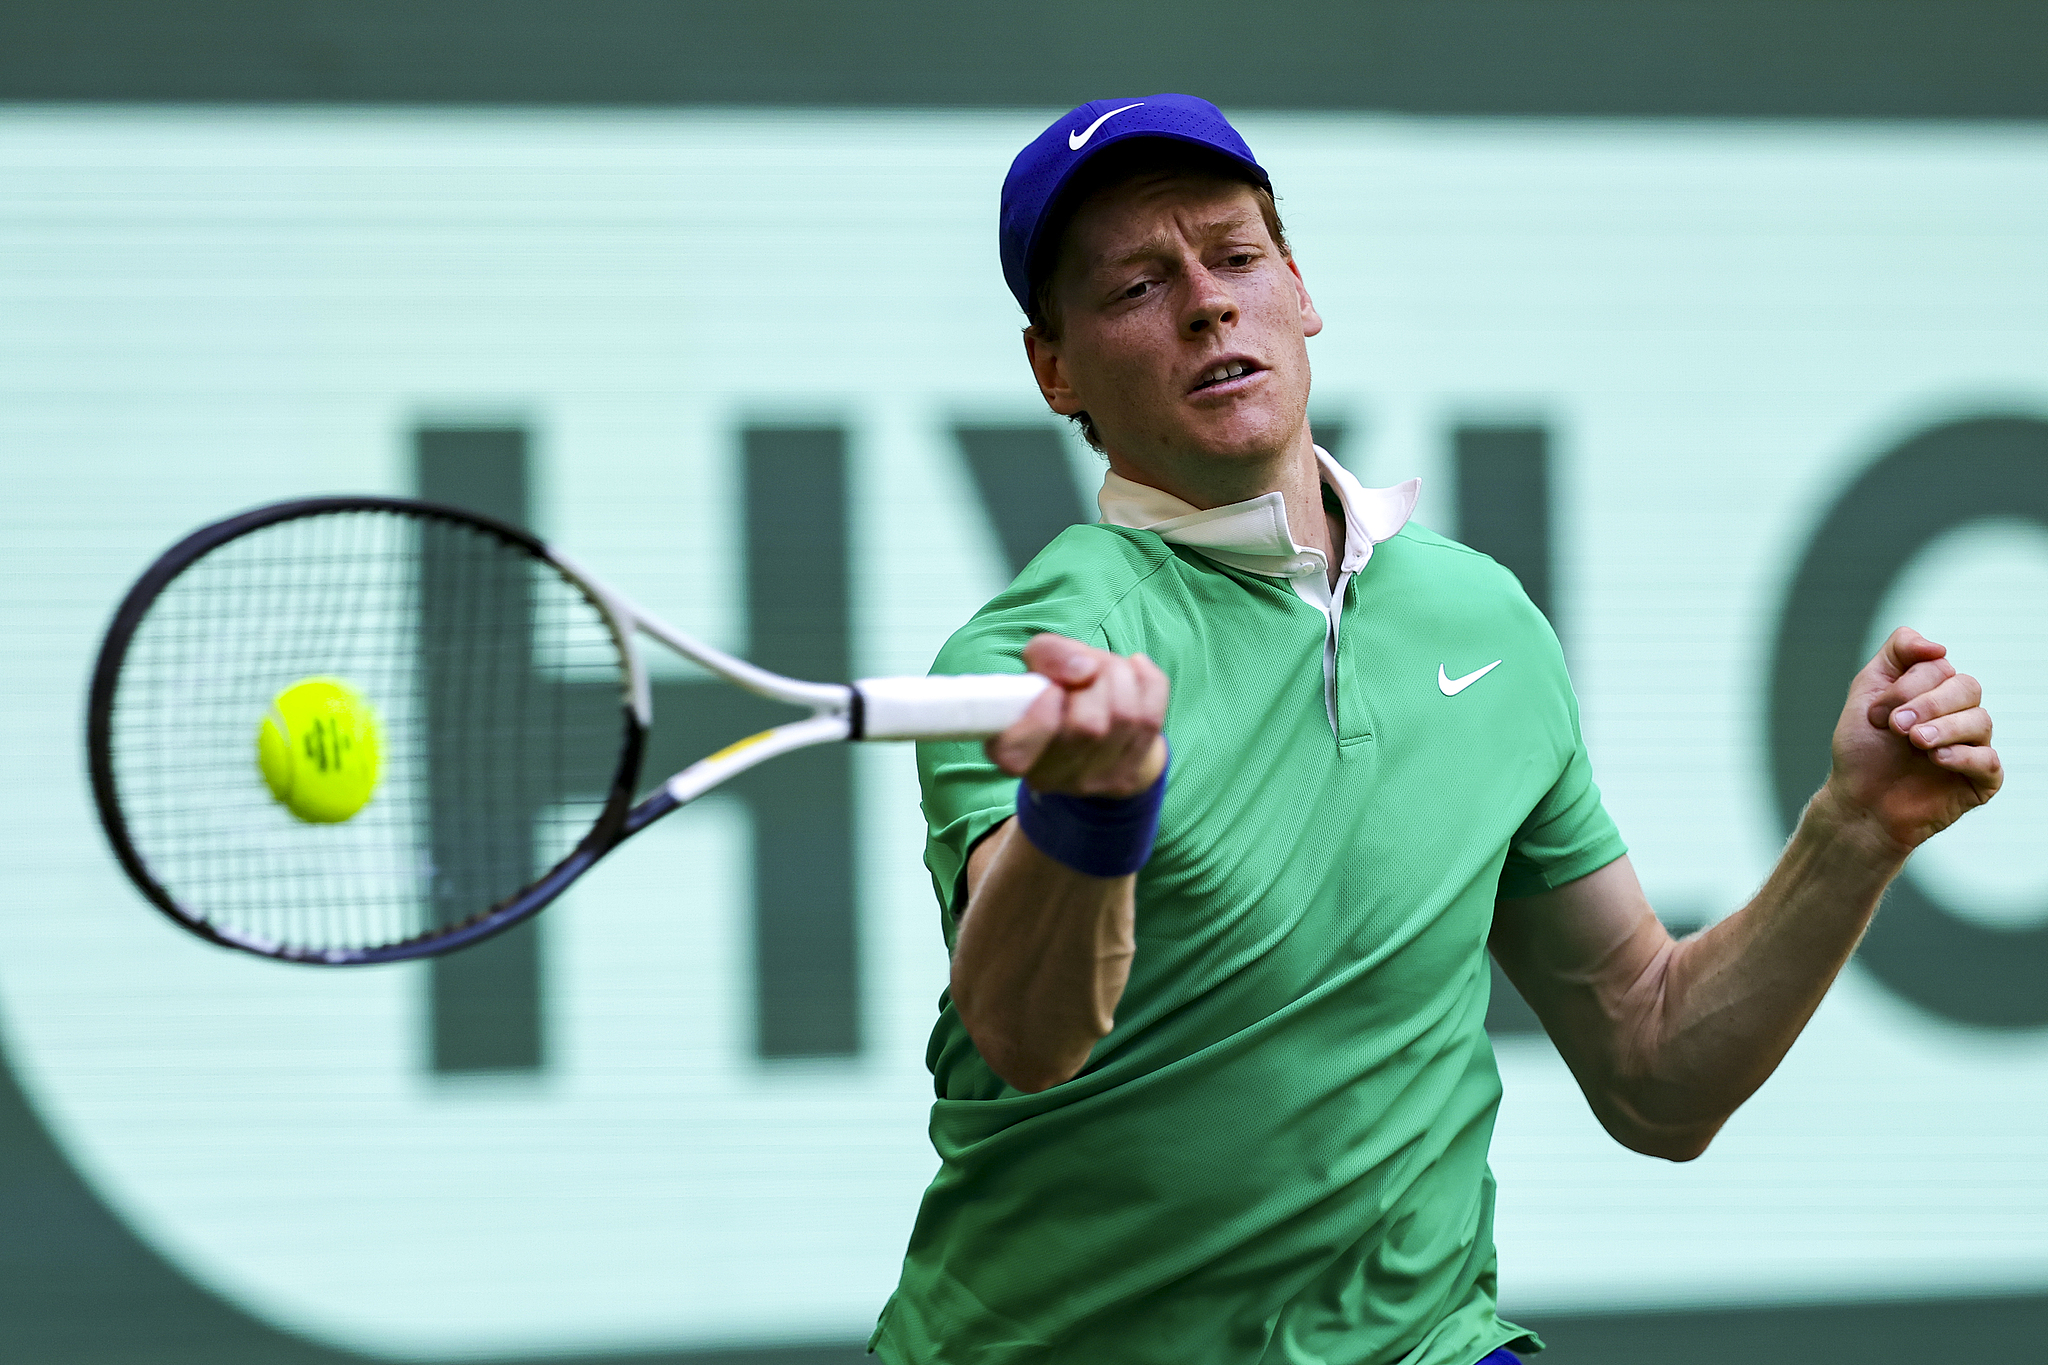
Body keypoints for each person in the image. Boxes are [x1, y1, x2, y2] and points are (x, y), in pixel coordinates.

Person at [868, 95, 2002, 1365]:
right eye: (1136, 284)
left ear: (1297, 290)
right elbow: (1025, 1038)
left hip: (1426, 1343)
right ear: (1055, 367)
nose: (1204, 304)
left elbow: (1653, 1066)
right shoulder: (1029, 664)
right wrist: (1086, 815)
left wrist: (1854, 831)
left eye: (1235, 258)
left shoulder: (1479, 618)